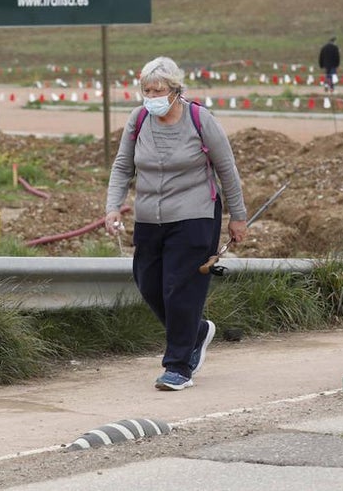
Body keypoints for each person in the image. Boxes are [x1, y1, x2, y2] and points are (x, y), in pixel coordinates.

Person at [105, 56, 248, 392]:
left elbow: (227, 170)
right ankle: (195, 333)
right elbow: (122, 166)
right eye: (147, 89)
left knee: (179, 290)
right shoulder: (138, 119)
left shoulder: (200, 119)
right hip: (149, 217)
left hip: (195, 215)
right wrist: (113, 207)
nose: (152, 95)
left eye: (159, 89)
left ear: (175, 90)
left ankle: (178, 365)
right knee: (149, 283)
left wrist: (238, 217)